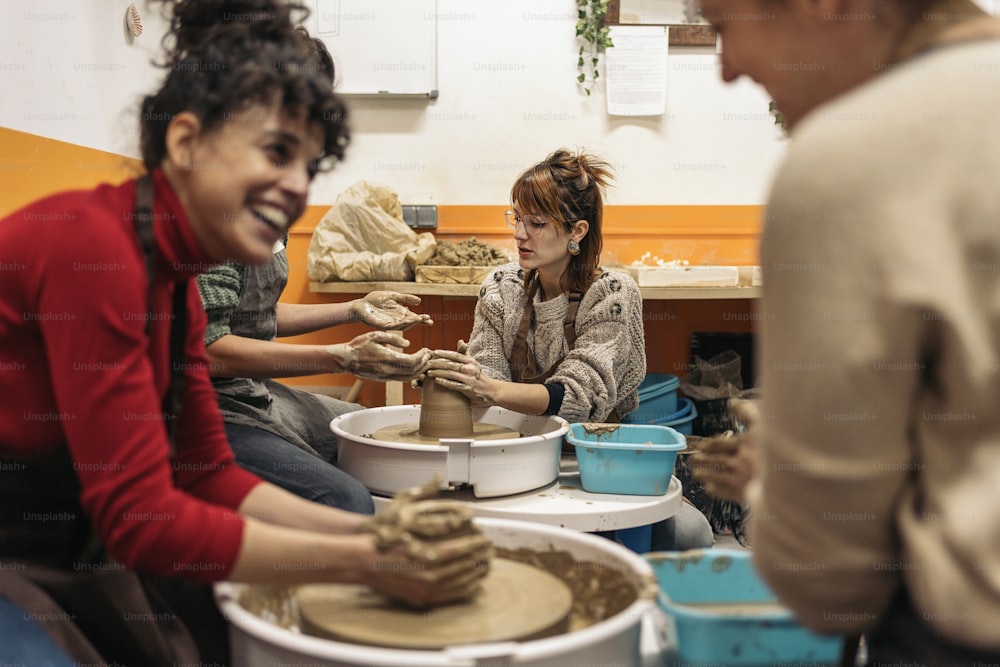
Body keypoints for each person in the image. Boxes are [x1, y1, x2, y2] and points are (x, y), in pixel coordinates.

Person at [0, 1, 488, 665]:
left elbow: (207, 471)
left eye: (309, 167)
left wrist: (378, 533)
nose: (295, 188)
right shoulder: (96, 251)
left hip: (71, 534)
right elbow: (142, 517)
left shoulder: (178, 286)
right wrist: (364, 558)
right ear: (187, 142)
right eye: (276, 152)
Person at [693, 0, 1000, 662]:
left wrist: (772, 482)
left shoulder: (851, 157)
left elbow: (829, 576)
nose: (727, 69)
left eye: (722, 25)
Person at [425, 148, 714, 552]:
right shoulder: (500, 288)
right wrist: (459, 379)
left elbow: (577, 396)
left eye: (537, 223)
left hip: (596, 460)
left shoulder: (612, 294)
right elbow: (486, 377)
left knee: (691, 534)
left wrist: (489, 389)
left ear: (577, 231)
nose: (519, 234)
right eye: (517, 219)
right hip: (517, 452)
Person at [196, 27, 433, 513]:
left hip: (247, 390)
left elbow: (255, 313)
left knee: (368, 429)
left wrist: (355, 308)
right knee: (348, 499)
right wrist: (341, 357)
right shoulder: (214, 194)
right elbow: (209, 349)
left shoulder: (267, 192)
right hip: (197, 405)